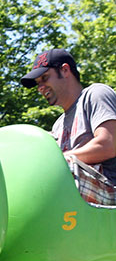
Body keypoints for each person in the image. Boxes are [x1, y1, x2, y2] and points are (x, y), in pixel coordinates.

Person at [21, 48, 116, 205]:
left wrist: (59, 161)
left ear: (65, 70)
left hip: (109, 188)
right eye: (38, 84)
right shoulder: (58, 125)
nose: (40, 87)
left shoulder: (95, 94)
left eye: (44, 78)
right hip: (76, 194)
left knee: (55, 171)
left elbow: (109, 144)